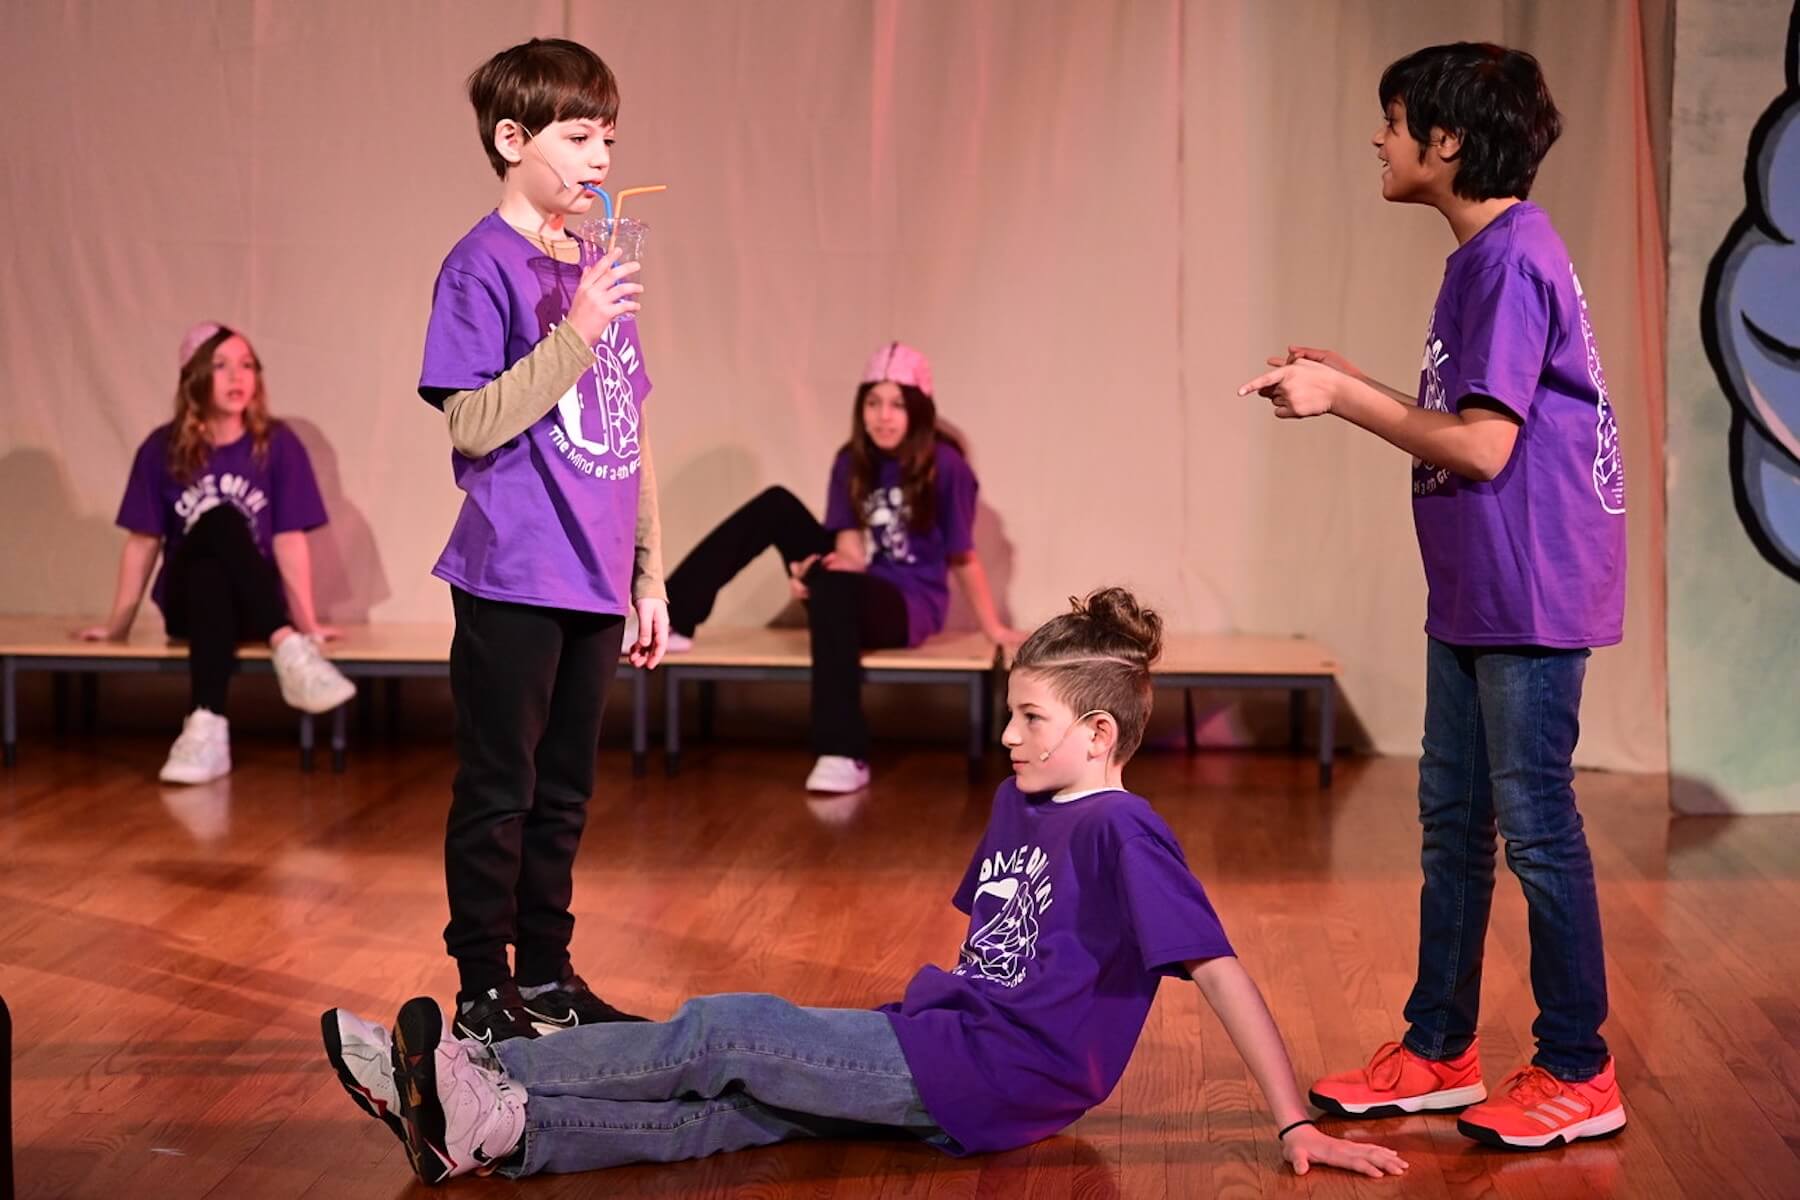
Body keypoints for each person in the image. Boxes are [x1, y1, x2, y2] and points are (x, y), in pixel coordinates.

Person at [321, 588, 1407, 1184]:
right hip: (945, 1041)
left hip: (991, 1075)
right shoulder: (1021, 804)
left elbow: (1220, 972)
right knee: (739, 1110)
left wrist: (1290, 1124)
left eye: (1031, 718)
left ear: (1101, 732)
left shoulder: (1125, 830)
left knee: (729, 1033)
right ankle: (503, 1133)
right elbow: (996, 955)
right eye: (1011, 711)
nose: (1008, 733)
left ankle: (477, 1067)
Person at [1239, 42, 1628, 1150]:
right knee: (1453, 822)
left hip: (1530, 589)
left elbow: (1486, 448)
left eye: (1394, 118)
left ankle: (1577, 1068)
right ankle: (1441, 1047)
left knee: (1535, 830)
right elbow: (1476, 420)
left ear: (1446, 141)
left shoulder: (1510, 258)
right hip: (1478, 586)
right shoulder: (1486, 257)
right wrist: (1352, 378)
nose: (1379, 136)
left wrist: (1342, 399)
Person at [415, 37, 662, 1045]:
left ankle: (549, 976)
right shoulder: (479, 266)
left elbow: (634, 421)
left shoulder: (596, 260)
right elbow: (470, 422)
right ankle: (483, 989)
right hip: (515, 569)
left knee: (565, 792)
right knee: (500, 790)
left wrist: (650, 573)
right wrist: (575, 334)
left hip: (597, 574)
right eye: (577, 134)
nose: (599, 157)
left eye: (608, 135)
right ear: (512, 139)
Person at [662, 342, 1019, 793]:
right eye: (873, 403)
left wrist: (994, 628)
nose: (883, 416)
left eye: (896, 405)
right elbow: (850, 552)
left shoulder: (945, 466)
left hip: (909, 605)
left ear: (918, 410)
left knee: (836, 588)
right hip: (857, 586)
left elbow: (962, 555)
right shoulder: (852, 461)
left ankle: (842, 749)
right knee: (776, 507)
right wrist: (815, 572)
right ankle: (675, 618)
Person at [78, 322, 355, 784]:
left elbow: (289, 539)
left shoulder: (278, 445)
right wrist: (117, 626)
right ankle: (289, 650)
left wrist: (309, 622)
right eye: (221, 366)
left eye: (247, 366)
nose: (236, 378)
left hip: (253, 605)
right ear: (194, 377)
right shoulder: (160, 448)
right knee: (219, 523)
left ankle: (206, 726)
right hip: (186, 607)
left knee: (214, 569)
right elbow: (144, 542)